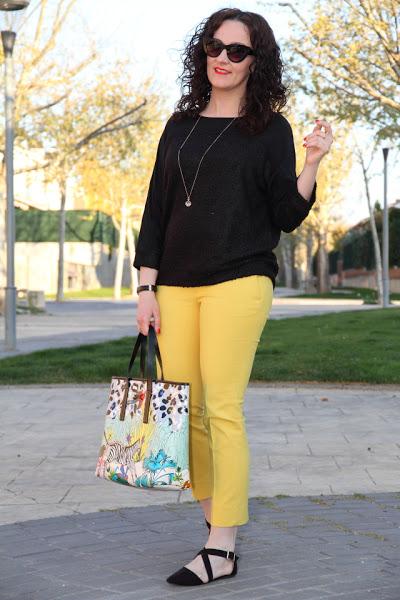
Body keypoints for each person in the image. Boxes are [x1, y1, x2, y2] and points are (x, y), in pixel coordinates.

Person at [133, 7, 333, 587]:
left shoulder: (269, 129)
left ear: (255, 61)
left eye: (237, 50)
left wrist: (311, 164)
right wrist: (145, 287)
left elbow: (286, 213)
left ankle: (221, 548)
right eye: (214, 46)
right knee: (186, 413)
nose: (223, 58)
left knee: (221, 408)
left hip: (240, 279)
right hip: (174, 285)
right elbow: (156, 210)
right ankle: (214, 525)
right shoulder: (179, 125)